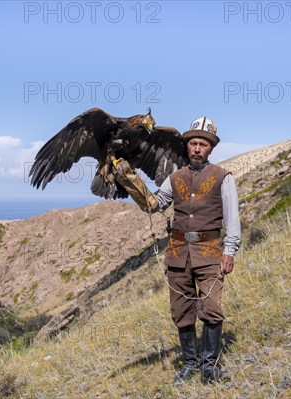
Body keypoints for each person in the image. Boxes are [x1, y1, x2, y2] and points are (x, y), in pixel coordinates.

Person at [113, 116, 241, 384]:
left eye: (203, 145)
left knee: (211, 308)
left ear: (211, 149)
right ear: (187, 146)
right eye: (193, 143)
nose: (197, 148)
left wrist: (229, 251)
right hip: (178, 252)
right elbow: (155, 204)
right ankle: (190, 364)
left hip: (210, 252)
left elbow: (232, 219)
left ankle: (209, 367)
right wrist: (131, 181)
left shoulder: (223, 177)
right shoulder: (175, 178)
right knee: (181, 309)